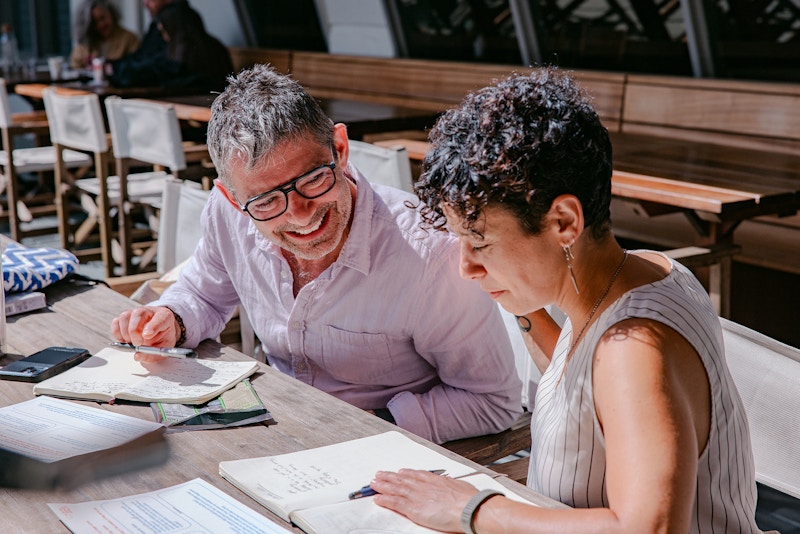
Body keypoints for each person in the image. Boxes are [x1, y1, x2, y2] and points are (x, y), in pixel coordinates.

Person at [370, 68, 760, 533]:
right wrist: (522, 303)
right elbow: (586, 391)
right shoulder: (643, 271)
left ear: (563, 222)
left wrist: (470, 509)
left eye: (480, 242)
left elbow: (647, 530)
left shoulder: (633, 349)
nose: (466, 267)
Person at [110, 64, 523, 445]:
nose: (301, 214)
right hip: (270, 430)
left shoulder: (431, 255)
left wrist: (368, 426)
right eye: (268, 202)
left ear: (340, 149)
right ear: (231, 199)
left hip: (378, 454)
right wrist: (173, 318)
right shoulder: (227, 215)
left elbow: (491, 401)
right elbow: (203, 295)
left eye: (313, 179)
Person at [69, 0, 139, 70]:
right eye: (94, 22)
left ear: (111, 14)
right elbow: (74, 66)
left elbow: (138, 66)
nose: (100, 25)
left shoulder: (129, 39)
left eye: (102, 18)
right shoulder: (84, 43)